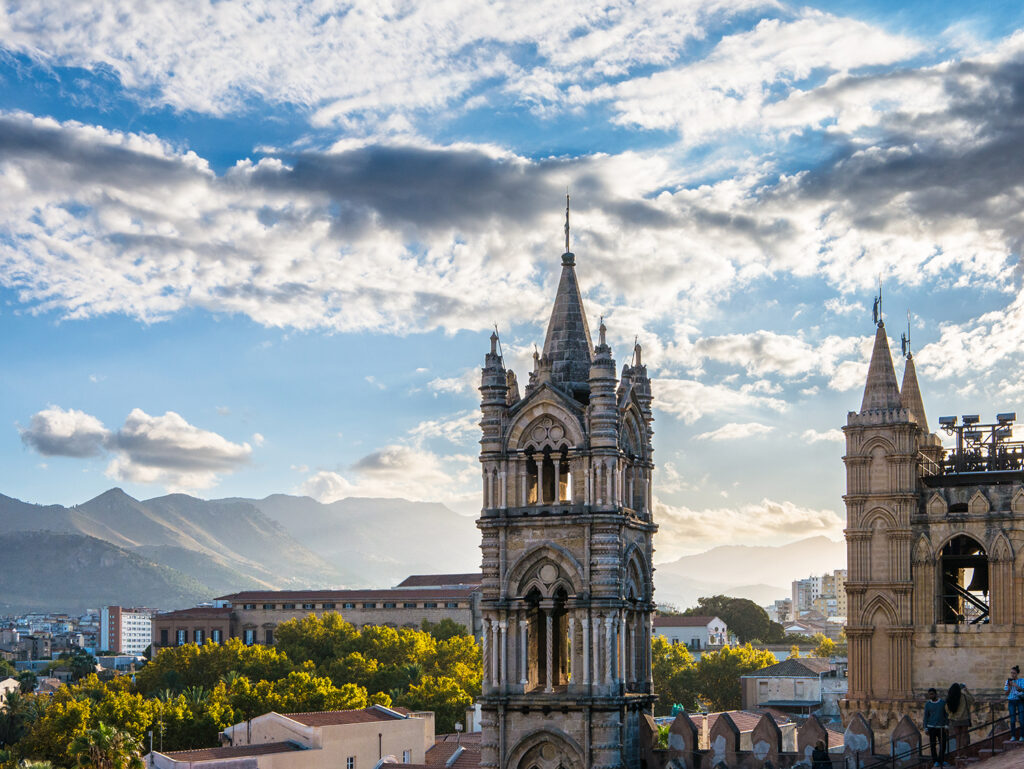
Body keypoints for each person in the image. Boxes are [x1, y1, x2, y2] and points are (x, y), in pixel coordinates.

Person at [945, 682, 974, 753]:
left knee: (958, 738)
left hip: (955, 720)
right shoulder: (964, 697)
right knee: (964, 736)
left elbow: (946, 709)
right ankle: (964, 754)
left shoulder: (951, 698)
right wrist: (966, 690)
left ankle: (958, 755)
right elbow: (972, 699)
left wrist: (951, 715)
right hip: (964, 719)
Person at [923, 687, 948, 767]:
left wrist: (946, 725)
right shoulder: (928, 704)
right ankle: (935, 761)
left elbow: (946, 715)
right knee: (933, 745)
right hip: (931, 727)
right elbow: (926, 716)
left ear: (935, 694)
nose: (930, 696)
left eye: (932, 694)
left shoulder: (942, 703)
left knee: (943, 744)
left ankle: (941, 760)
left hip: (941, 727)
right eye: (929, 694)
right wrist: (925, 728)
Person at [1006, 665, 1023, 741]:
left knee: (1021, 719)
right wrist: (1009, 687)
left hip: (1020, 701)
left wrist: (1015, 685)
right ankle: (1013, 736)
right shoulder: (1007, 682)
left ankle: (1022, 736)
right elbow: (1006, 693)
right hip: (1011, 701)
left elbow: (1022, 690)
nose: (1012, 674)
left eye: (1014, 673)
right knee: (1012, 719)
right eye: (1011, 673)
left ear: (1017, 673)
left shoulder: (1022, 680)